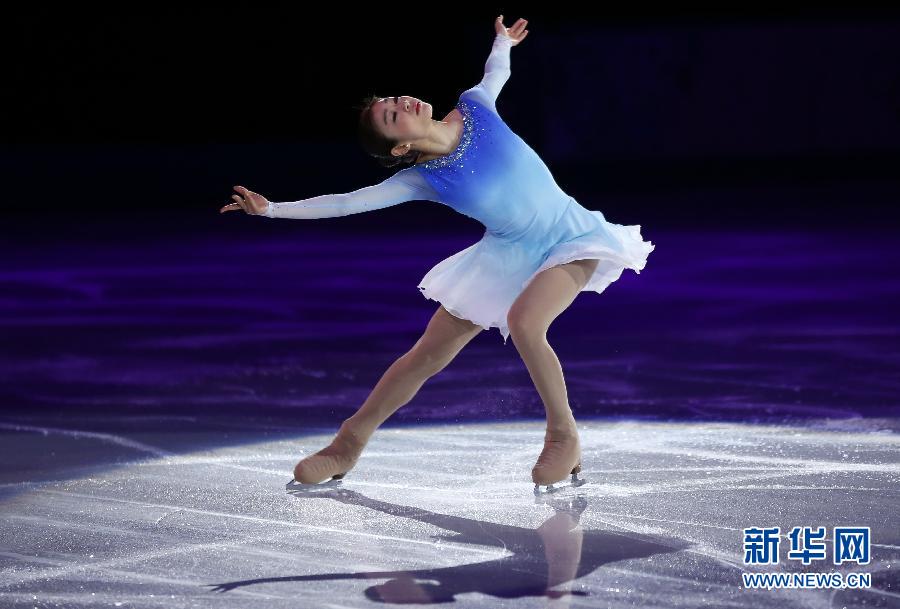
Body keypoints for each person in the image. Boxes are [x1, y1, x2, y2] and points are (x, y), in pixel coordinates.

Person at [220, 16, 655, 493]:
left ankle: (563, 436)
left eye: (393, 98)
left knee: (527, 323)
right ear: (402, 145)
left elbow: (495, 75)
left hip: (571, 236)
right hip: (508, 254)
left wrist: (502, 42)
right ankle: (348, 443)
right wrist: (272, 210)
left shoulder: (474, 108)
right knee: (424, 356)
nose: (401, 102)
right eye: (391, 115)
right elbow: (346, 202)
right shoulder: (420, 179)